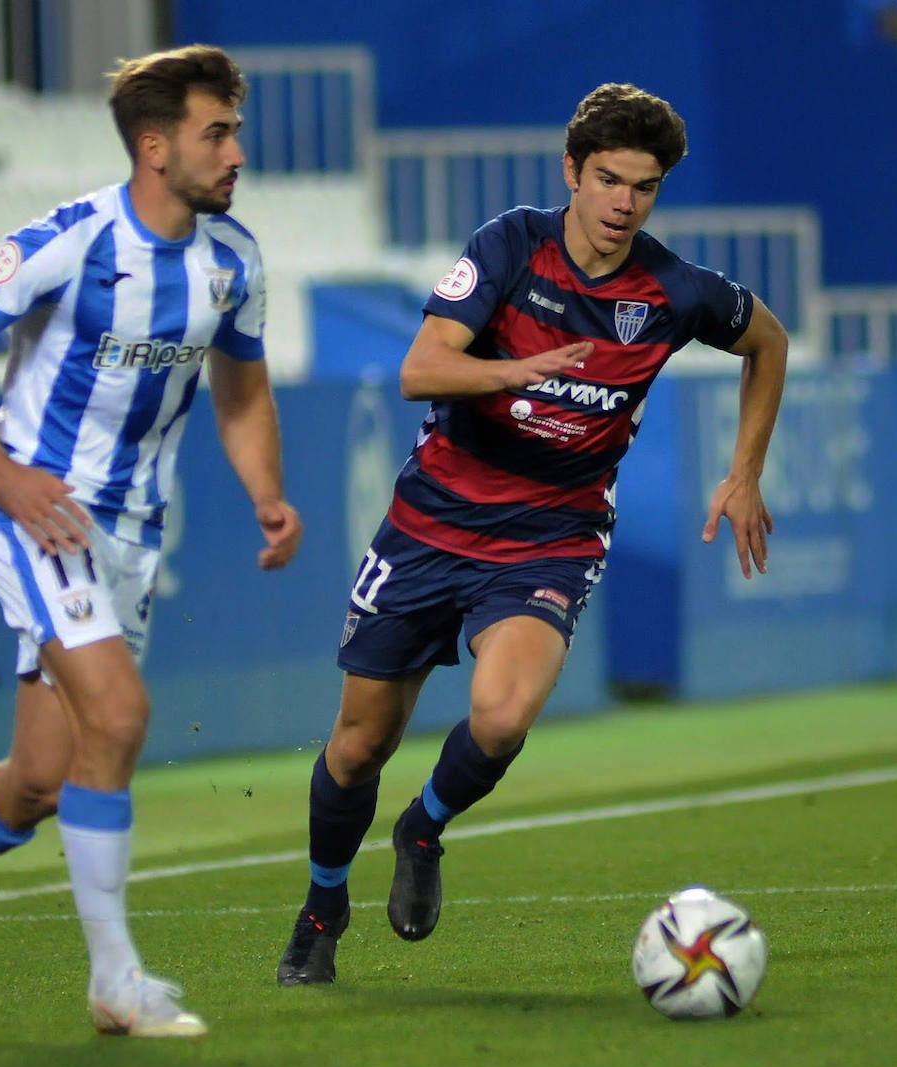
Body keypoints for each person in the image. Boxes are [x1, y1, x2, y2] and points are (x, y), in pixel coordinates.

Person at [276, 82, 788, 986]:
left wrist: (744, 471)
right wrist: (518, 369)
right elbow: (419, 368)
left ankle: (422, 827)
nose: (624, 201)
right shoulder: (511, 244)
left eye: (644, 185)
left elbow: (769, 342)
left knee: (503, 715)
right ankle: (322, 905)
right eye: (608, 179)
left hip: (552, 531)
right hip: (432, 520)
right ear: (572, 173)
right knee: (358, 743)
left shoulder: (672, 289)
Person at [0, 44, 302, 1039]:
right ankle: (116, 979)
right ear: (155, 146)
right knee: (123, 714)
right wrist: (2, 474)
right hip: (37, 511)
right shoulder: (74, 240)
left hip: (131, 537)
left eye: (235, 129)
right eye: (215, 132)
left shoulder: (234, 260)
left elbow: (243, 384)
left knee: (41, 779)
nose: (236, 152)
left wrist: (266, 489)